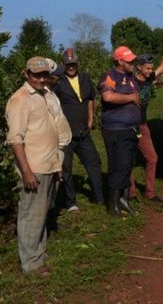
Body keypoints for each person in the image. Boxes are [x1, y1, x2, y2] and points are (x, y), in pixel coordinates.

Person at [6, 57, 71, 276]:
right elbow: (16, 139)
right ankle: (31, 263)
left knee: (42, 212)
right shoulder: (20, 99)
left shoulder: (45, 94)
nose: (41, 78)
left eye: (44, 74)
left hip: (49, 164)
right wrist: (26, 171)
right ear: (27, 74)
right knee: (31, 214)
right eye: (36, 75)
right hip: (34, 167)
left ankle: (38, 253)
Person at [52, 48, 105, 212]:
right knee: (66, 168)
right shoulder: (59, 82)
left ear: (78, 63)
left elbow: (90, 99)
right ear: (63, 64)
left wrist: (91, 118)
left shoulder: (85, 78)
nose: (71, 67)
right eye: (68, 64)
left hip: (83, 132)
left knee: (94, 163)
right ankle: (70, 202)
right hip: (66, 134)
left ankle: (99, 197)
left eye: (73, 64)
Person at [99, 46, 141, 216]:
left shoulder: (131, 77)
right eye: (129, 60)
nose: (133, 63)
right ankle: (113, 204)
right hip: (116, 130)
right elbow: (107, 96)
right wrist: (131, 98)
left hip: (131, 129)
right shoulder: (110, 76)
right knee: (119, 166)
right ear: (119, 61)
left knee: (128, 165)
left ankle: (123, 200)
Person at [129, 35, 163, 204]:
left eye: (150, 68)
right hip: (128, 125)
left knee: (152, 158)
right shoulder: (130, 82)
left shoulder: (149, 79)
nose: (150, 71)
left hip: (142, 125)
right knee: (129, 160)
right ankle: (130, 193)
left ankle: (150, 192)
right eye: (147, 68)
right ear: (138, 68)